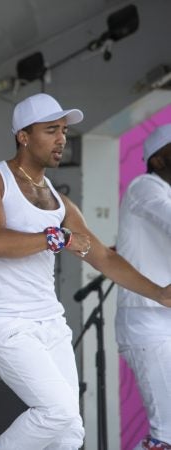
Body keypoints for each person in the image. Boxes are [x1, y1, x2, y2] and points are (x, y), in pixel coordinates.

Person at [0, 92, 171, 450]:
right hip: (4, 320)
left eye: (63, 130)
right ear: (23, 136)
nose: (62, 139)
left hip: (50, 323)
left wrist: (158, 292)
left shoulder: (61, 202)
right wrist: (56, 237)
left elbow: (104, 258)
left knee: (69, 433)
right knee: (56, 412)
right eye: (51, 130)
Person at [115, 124, 171, 450]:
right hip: (147, 321)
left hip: (163, 320)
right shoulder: (144, 186)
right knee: (166, 433)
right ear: (159, 161)